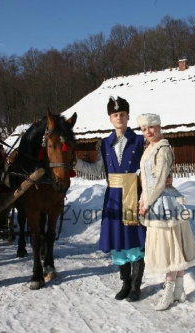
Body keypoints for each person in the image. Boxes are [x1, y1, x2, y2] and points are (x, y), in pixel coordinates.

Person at [74, 96, 146, 302]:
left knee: (134, 241)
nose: (119, 118)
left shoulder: (140, 140)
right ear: (110, 118)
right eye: (115, 115)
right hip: (113, 197)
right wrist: (74, 162)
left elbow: (150, 166)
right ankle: (125, 283)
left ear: (128, 116)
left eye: (122, 114)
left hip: (133, 194)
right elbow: (97, 169)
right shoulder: (104, 144)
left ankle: (135, 287)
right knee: (117, 242)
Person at [137, 113, 195, 311]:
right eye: (143, 129)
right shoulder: (149, 148)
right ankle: (179, 290)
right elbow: (146, 180)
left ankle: (169, 291)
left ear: (159, 126)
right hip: (155, 200)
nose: (148, 132)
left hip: (164, 202)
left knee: (171, 248)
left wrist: (147, 203)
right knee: (173, 246)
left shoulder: (163, 148)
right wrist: (142, 200)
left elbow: (158, 181)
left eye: (151, 127)